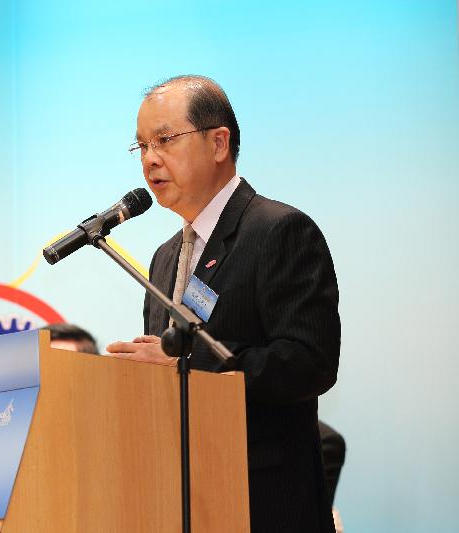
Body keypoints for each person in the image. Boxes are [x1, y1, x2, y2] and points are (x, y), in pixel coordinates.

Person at [106, 75, 340, 532]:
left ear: (218, 143)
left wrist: (184, 363)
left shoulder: (279, 231)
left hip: (264, 504)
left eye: (165, 140)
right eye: (141, 147)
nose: (150, 159)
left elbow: (308, 363)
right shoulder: (165, 257)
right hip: (178, 503)